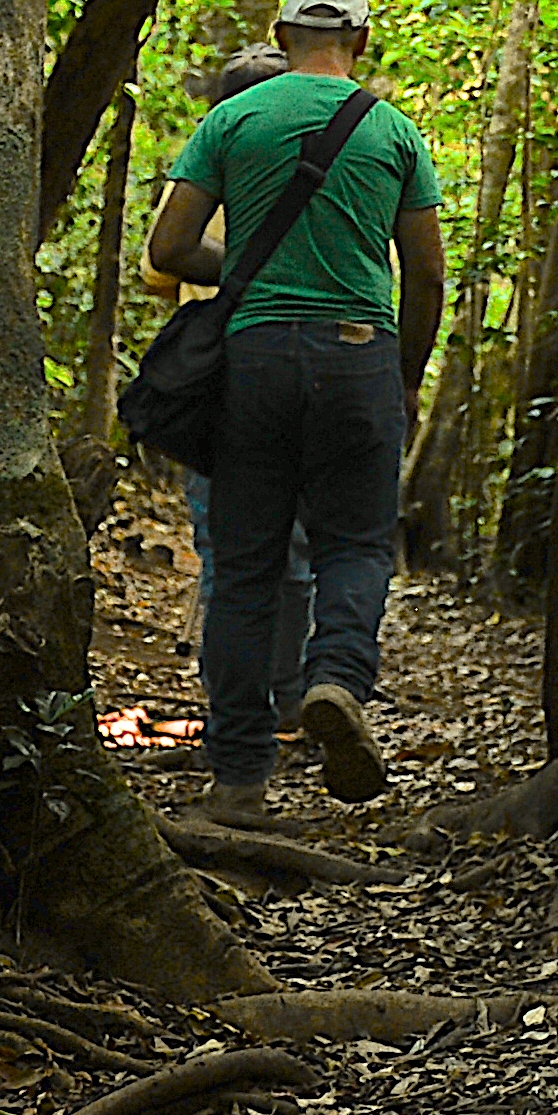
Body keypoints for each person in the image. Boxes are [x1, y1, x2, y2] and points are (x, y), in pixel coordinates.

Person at [146, 0, 447, 816]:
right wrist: (406, 377)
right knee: (353, 545)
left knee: (244, 570)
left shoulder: (234, 118)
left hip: (254, 362)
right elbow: (425, 273)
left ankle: (239, 779)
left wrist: (244, 271)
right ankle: (339, 681)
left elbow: (170, 247)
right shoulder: (393, 130)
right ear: (361, 41)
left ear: (280, 37)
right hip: (360, 357)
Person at [166, 45, 313, 739]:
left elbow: (155, 268)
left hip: (216, 379)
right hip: (301, 373)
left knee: (226, 550)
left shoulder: (203, 173)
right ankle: (285, 696)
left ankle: (234, 708)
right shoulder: (316, 176)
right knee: (294, 545)